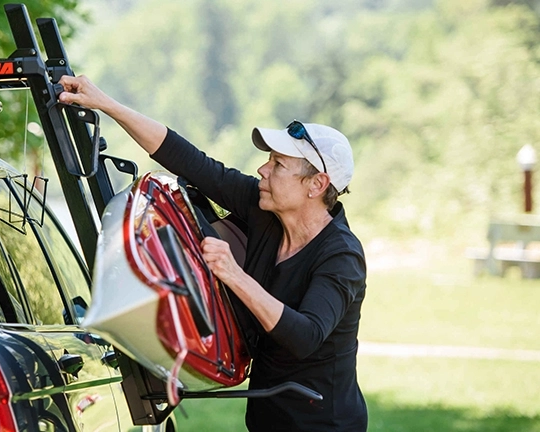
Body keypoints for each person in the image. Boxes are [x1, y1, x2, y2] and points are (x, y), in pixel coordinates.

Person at [58, 75, 367, 431]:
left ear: (316, 184)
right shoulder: (263, 209)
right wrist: (106, 104)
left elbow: (305, 336)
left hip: (324, 425)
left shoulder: (341, 256)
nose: (263, 169)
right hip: (266, 420)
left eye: (278, 164)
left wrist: (234, 274)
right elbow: (190, 161)